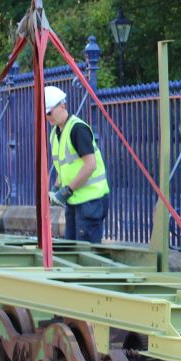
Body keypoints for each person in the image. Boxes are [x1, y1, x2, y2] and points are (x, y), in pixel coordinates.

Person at [44, 86, 110, 243]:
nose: (47, 117)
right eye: (44, 113)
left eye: (49, 112)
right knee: (72, 249)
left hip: (90, 201)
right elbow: (65, 168)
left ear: (63, 106)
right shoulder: (55, 133)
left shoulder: (77, 129)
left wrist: (67, 190)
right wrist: (56, 188)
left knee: (85, 253)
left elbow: (90, 165)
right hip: (75, 201)